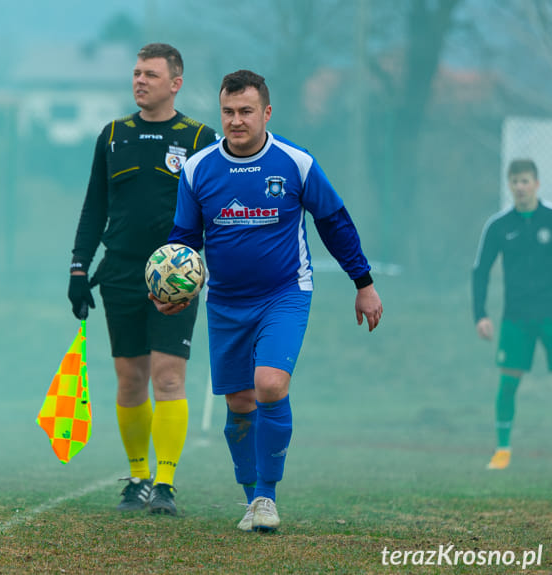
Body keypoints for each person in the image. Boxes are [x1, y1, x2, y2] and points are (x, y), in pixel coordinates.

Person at [151, 69, 383, 532]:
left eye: (246, 112)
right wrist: (170, 290)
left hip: (284, 293)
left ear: (266, 112)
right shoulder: (198, 169)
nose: (236, 121)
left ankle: (267, 497)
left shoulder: (295, 163)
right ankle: (251, 496)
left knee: (270, 385)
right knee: (239, 402)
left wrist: (364, 282)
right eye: (228, 112)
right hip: (225, 302)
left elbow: (334, 221)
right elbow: (182, 240)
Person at [67, 43, 219, 516]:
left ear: (175, 83)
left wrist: (204, 268)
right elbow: (95, 206)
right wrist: (78, 267)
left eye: (150, 74)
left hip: (177, 277)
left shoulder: (200, 139)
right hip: (120, 273)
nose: (139, 81)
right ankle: (137, 479)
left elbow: (214, 211)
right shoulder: (112, 135)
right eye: (136, 73)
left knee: (168, 376)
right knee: (129, 378)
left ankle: (166, 486)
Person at [472, 159, 552, 470]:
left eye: (525, 181)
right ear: (509, 185)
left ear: (537, 184)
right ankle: (503, 450)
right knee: (508, 383)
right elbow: (480, 271)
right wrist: (480, 313)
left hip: (550, 315)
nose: (520, 187)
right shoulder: (499, 226)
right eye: (515, 181)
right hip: (516, 318)